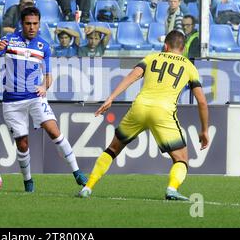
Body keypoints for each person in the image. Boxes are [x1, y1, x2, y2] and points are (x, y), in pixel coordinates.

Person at [77, 30, 209, 200]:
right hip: (163, 112)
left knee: (112, 149)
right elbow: (202, 102)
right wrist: (204, 130)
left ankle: (88, 187)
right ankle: (171, 189)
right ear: (183, 49)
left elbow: (132, 76)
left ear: (165, 46)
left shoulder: (152, 57)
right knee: (181, 158)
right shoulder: (189, 66)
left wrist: (110, 98)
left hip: (139, 107)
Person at [0, 6, 88, 192]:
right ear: (21, 24)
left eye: (35, 24)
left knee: (54, 131)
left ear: (39, 24)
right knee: (22, 144)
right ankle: (28, 181)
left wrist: (44, 87)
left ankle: (77, 172)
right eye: (28, 23)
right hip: (12, 102)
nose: (32, 27)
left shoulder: (44, 47)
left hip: (35, 97)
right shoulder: (8, 41)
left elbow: (48, 76)